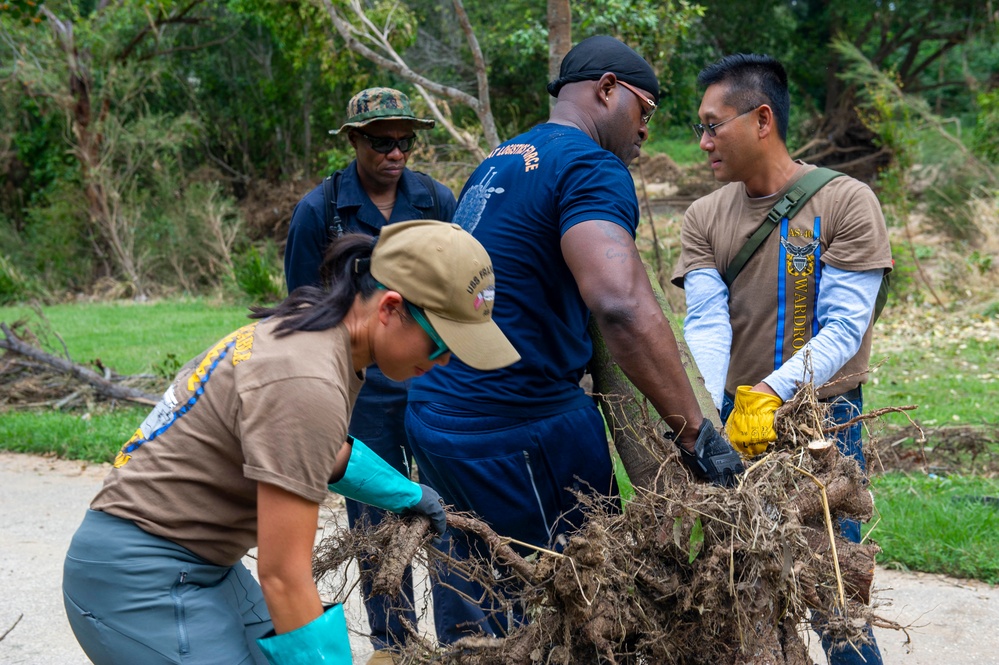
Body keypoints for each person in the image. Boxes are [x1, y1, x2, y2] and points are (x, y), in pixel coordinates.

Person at [404, 35, 745, 645]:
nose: (646, 129)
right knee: (593, 604)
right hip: (513, 425)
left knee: (479, 602)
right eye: (645, 110)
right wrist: (694, 432)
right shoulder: (590, 165)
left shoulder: (500, 158)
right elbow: (618, 302)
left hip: (435, 415)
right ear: (607, 89)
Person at [62, 220, 519, 665]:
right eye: (441, 344)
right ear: (389, 309)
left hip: (201, 565)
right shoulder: (308, 379)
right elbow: (284, 577)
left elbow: (315, 450)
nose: (443, 362)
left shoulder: (316, 335)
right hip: (139, 580)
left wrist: (408, 494)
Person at [671, 53, 892, 665]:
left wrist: (771, 392)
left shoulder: (846, 202)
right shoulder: (704, 216)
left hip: (822, 423)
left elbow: (846, 325)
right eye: (700, 127)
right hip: (740, 428)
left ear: (761, 118)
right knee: (742, 591)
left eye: (713, 125)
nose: (703, 142)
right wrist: (724, 403)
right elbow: (708, 318)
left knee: (831, 592)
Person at [284, 86, 457, 664]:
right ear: (355, 140)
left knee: (447, 511)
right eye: (382, 141)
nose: (396, 152)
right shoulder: (320, 209)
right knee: (379, 517)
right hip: (363, 391)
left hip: (431, 383)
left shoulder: (436, 200)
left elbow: (463, 294)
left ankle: (464, 639)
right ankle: (396, 645)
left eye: (405, 140)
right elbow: (302, 310)